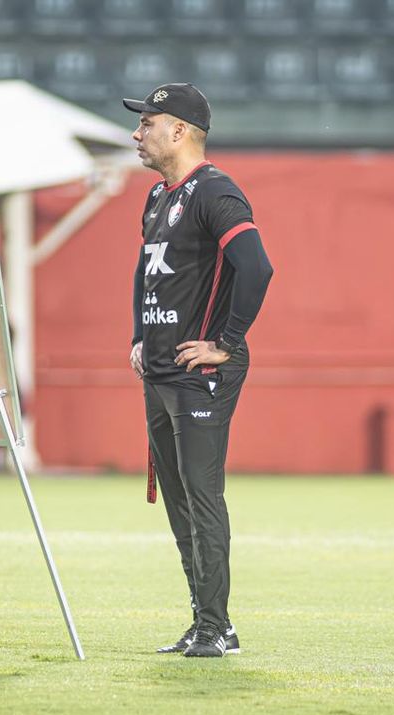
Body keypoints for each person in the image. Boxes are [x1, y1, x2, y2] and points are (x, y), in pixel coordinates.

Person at [123, 84, 274, 658]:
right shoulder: (159, 196)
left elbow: (256, 268)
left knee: (202, 496)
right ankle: (204, 621)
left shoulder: (216, 192)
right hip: (161, 372)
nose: (138, 133)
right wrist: (140, 336)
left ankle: (218, 628)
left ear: (180, 131)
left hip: (199, 375)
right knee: (181, 499)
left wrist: (226, 344)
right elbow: (147, 273)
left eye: (148, 123)